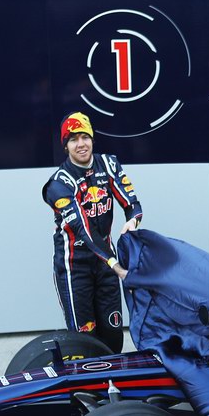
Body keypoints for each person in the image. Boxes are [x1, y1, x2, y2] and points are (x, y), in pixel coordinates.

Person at [41, 112, 141, 353]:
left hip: (105, 261)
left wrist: (133, 221)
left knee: (113, 332)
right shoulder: (58, 184)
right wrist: (116, 265)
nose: (81, 144)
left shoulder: (108, 165)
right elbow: (83, 230)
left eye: (85, 137)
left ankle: (113, 386)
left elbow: (132, 203)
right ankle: (88, 389)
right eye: (73, 139)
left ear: (93, 139)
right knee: (84, 338)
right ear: (65, 146)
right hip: (75, 266)